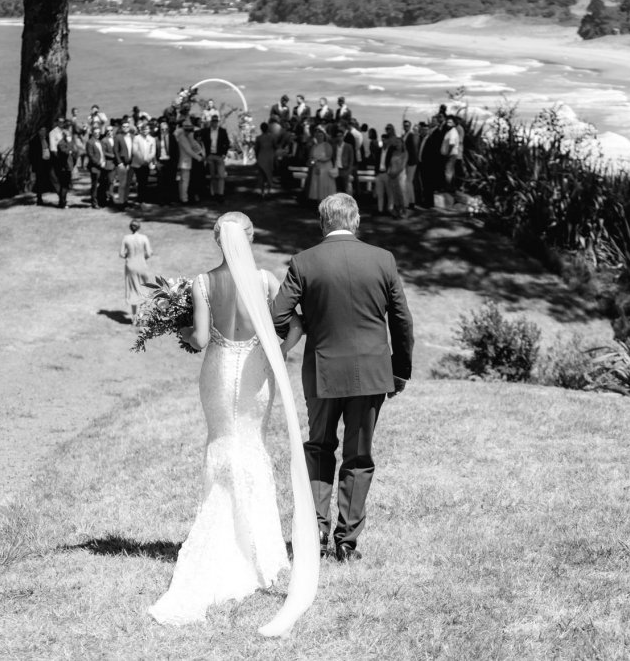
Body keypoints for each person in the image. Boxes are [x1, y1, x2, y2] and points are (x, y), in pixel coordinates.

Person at [149, 212, 317, 636]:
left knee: (222, 442)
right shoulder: (264, 280)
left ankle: (225, 529)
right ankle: (263, 547)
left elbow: (202, 339)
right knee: (253, 444)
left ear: (216, 241)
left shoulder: (203, 283)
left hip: (220, 372)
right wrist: (279, 350)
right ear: (251, 237)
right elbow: (297, 324)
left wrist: (182, 330)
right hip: (258, 368)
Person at [271, 193, 414, 563]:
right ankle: (346, 542)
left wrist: (300, 329)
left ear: (323, 223)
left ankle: (315, 530)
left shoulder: (304, 262)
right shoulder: (382, 259)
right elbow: (401, 320)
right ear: (355, 221)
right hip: (371, 372)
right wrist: (400, 370)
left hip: (321, 371)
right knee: (359, 455)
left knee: (318, 448)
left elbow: (277, 316)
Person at [120, 219, 153, 321]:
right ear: (139, 227)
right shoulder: (144, 238)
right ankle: (142, 316)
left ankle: (135, 318)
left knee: (133, 290)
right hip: (142, 264)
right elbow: (148, 253)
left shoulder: (126, 238)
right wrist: (143, 257)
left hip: (131, 265)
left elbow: (121, 253)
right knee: (144, 289)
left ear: (130, 227)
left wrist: (128, 255)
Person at [199, 116, 231, 201]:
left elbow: (227, 143)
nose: (214, 123)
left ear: (218, 122)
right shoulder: (206, 131)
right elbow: (200, 139)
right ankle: (214, 193)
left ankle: (220, 194)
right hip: (210, 155)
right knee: (212, 176)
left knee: (221, 175)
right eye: (213, 121)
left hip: (219, 155)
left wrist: (224, 153)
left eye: (216, 121)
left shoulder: (222, 131)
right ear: (211, 122)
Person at [174, 121, 205, 204]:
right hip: (184, 162)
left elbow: (194, 145)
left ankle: (183, 198)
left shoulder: (187, 136)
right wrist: (199, 158)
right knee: (184, 181)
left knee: (183, 181)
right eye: (188, 130)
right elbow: (189, 151)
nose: (190, 132)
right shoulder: (182, 138)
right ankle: (184, 199)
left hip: (187, 162)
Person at [305, 127, 335, 206]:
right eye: (317, 136)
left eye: (321, 135)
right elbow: (311, 157)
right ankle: (319, 206)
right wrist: (312, 162)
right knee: (317, 187)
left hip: (326, 168)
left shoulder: (327, 145)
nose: (319, 137)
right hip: (316, 167)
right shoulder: (314, 146)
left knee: (325, 186)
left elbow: (329, 156)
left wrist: (318, 160)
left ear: (324, 136)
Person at [131, 121, 156, 206]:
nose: (145, 131)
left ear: (149, 130)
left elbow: (153, 151)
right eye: (143, 129)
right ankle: (140, 199)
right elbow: (135, 151)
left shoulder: (152, 139)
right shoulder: (137, 138)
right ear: (141, 130)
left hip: (147, 163)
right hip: (138, 164)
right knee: (140, 182)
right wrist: (142, 160)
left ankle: (144, 199)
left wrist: (148, 160)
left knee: (145, 182)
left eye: (147, 129)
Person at [29, 125, 55, 206]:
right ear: (38, 131)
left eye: (45, 130)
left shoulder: (46, 139)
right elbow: (32, 154)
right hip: (39, 163)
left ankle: (47, 191)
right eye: (42, 130)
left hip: (46, 162)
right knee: (39, 181)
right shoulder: (35, 140)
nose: (44, 132)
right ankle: (39, 198)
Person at [85, 125, 107, 208]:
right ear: (92, 133)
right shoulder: (90, 142)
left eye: (98, 133)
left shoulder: (100, 141)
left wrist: (104, 162)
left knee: (102, 184)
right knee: (94, 185)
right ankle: (94, 202)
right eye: (95, 133)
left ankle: (101, 200)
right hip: (95, 167)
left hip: (102, 166)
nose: (97, 134)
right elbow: (90, 155)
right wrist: (99, 163)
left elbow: (102, 153)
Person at [254, 122, 277, 198]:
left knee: (262, 176)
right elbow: (275, 147)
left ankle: (262, 192)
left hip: (261, 157)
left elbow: (256, 149)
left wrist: (257, 158)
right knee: (269, 175)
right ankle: (268, 191)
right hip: (269, 158)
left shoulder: (259, 138)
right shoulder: (272, 137)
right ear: (267, 129)